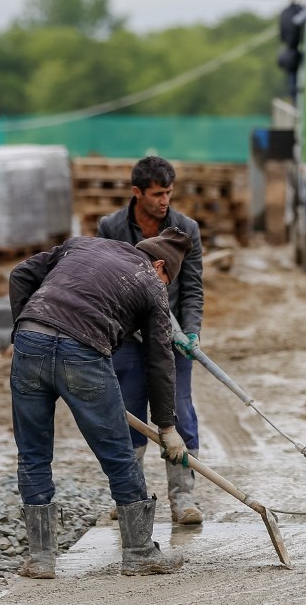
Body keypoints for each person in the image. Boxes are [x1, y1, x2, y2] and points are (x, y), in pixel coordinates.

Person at [9, 228, 192, 578]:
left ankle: (41, 559)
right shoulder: (151, 284)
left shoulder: (83, 243)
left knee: (32, 452)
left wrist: (20, 331)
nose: (164, 286)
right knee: (119, 453)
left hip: (30, 340)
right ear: (158, 265)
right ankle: (139, 552)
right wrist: (167, 427)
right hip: (83, 351)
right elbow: (159, 361)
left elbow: (20, 274)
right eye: (167, 278)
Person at [97, 156, 205, 525]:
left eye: (169, 193)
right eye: (157, 194)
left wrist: (190, 331)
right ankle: (130, 496)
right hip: (127, 339)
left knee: (179, 412)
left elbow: (191, 288)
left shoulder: (185, 228)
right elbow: (106, 285)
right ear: (137, 193)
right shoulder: (111, 227)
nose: (164, 201)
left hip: (173, 340)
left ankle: (183, 498)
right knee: (127, 415)